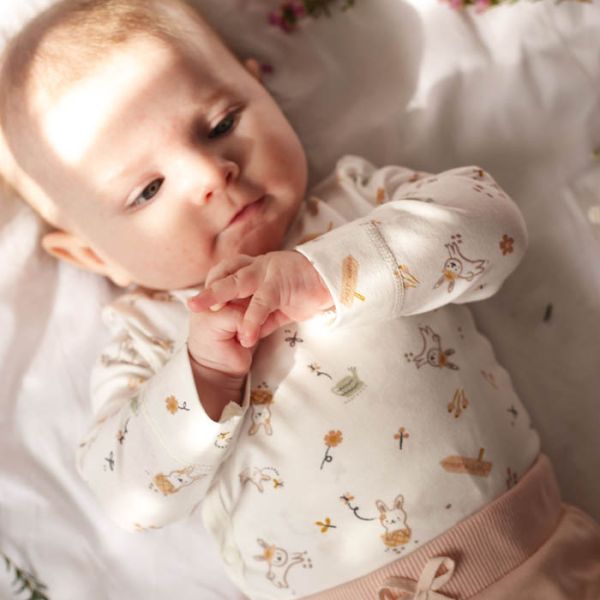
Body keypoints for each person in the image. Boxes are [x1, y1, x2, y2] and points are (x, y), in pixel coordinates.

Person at [1, 1, 598, 598]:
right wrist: (204, 376)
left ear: (261, 89)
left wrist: (328, 273)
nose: (210, 173)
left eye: (220, 125)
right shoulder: (149, 338)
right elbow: (129, 498)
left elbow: (493, 226)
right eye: (148, 190)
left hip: (538, 563)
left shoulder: (359, 205)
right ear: (92, 255)